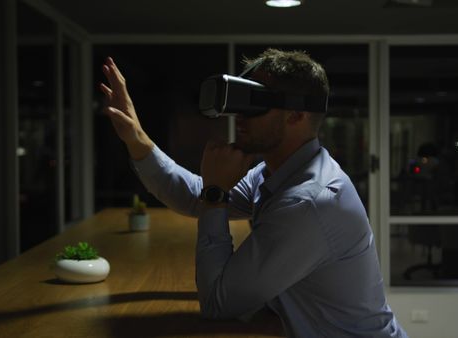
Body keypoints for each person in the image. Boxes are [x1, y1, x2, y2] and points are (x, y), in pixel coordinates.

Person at [100, 49, 408, 338]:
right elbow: (197, 197)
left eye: (255, 101)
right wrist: (137, 138)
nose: (239, 115)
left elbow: (218, 304)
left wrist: (216, 193)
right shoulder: (276, 171)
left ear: (296, 115)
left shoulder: (309, 201)